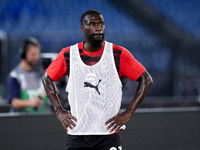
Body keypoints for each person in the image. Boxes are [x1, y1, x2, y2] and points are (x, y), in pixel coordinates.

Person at [42, 9, 153, 150]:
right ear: (83, 29)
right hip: (77, 135)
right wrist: (59, 111)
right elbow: (47, 78)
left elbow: (146, 80)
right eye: (92, 24)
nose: (98, 27)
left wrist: (128, 113)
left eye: (101, 24)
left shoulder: (118, 54)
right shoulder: (69, 54)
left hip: (108, 135)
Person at [7, 37, 50, 113]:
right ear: (24, 54)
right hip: (23, 121)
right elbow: (14, 102)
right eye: (33, 54)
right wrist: (31, 102)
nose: (36, 58)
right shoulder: (15, 76)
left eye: (37, 54)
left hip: (42, 120)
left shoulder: (42, 73)